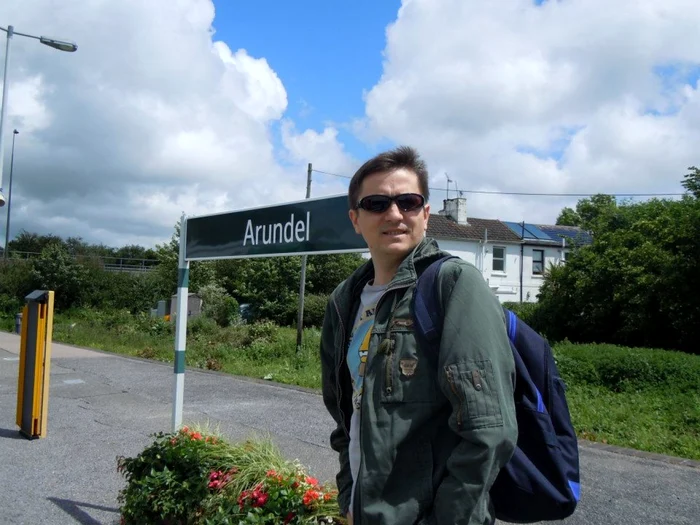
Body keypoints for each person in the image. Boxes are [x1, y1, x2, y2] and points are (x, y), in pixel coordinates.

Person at [320, 146, 518, 525]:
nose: (394, 214)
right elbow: (345, 415)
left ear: (425, 214)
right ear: (355, 219)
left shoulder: (454, 285)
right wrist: (349, 492)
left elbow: (489, 431)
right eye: (376, 203)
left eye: (408, 202)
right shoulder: (343, 302)